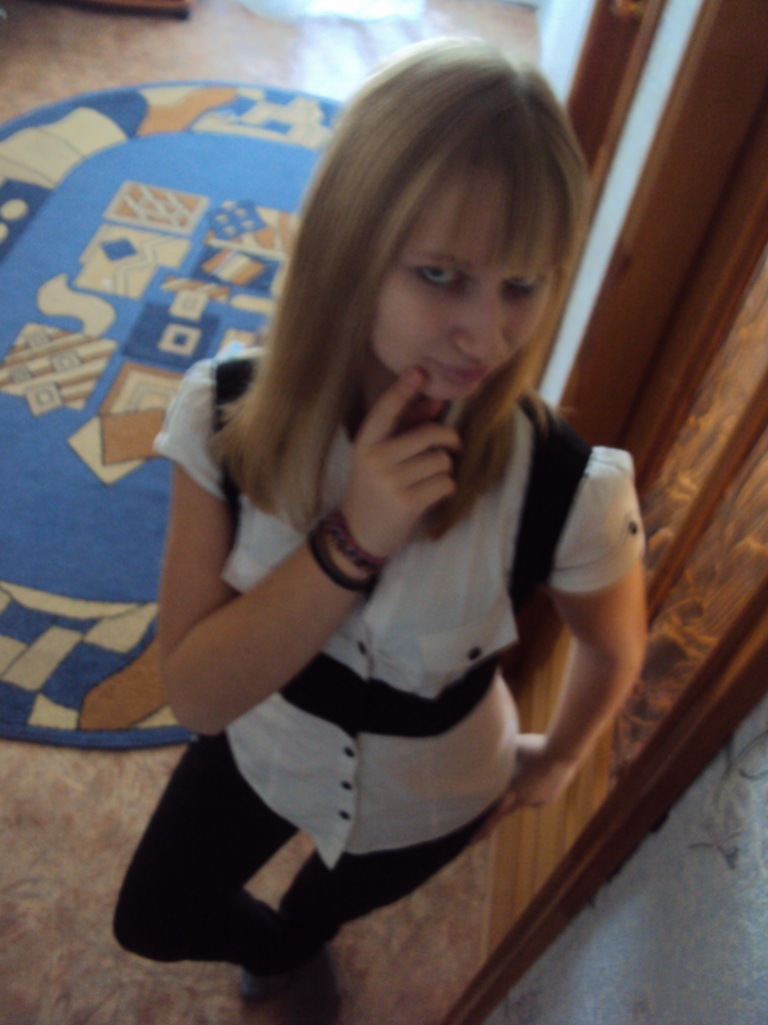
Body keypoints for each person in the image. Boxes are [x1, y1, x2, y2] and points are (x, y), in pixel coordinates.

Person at [113, 38, 647, 1025]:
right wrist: (351, 538)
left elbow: (614, 645)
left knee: (322, 912)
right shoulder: (222, 416)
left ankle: (296, 946)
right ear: (346, 247)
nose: (486, 336)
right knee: (154, 915)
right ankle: (270, 946)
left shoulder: (569, 486)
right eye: (442, 274)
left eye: (522, 284)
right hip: (262, 748)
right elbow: (196, 692)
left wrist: (561, 755)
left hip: (432, 796)